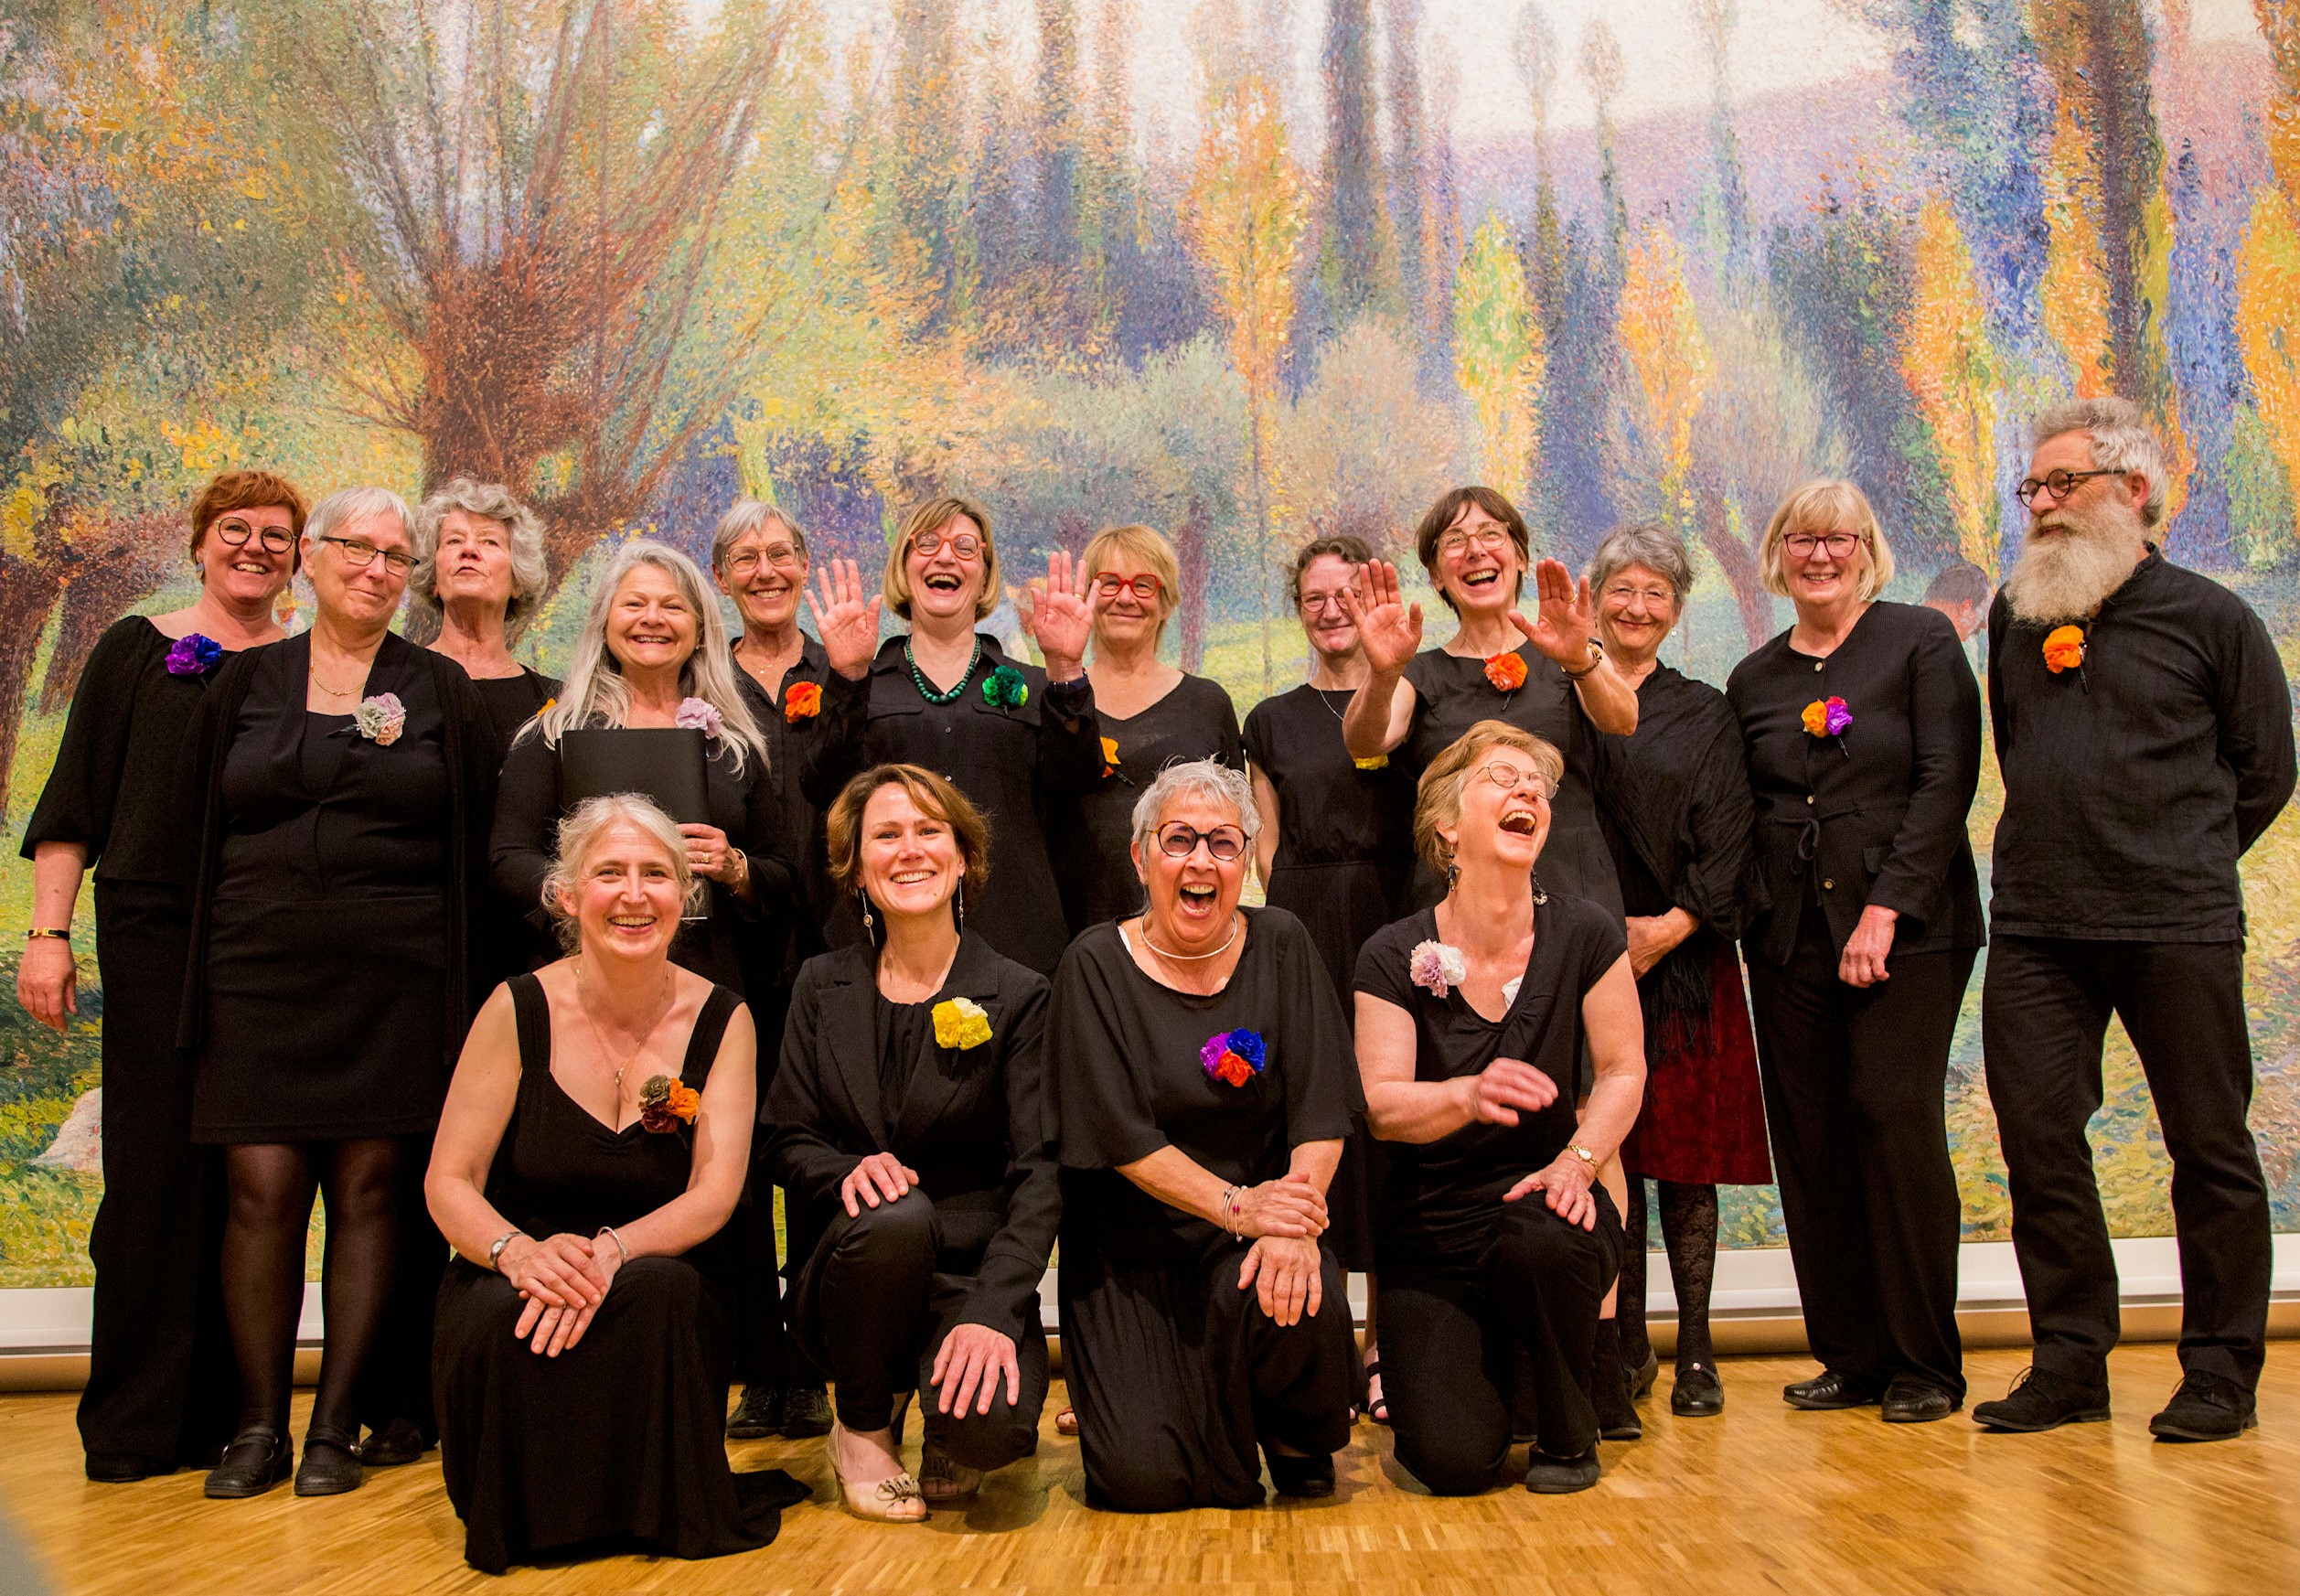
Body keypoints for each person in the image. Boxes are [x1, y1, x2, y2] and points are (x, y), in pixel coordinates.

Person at [1973, 397, 2295, 1441]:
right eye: (2034, 488)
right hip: (2036, 926)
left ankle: (2218, 1370)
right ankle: (2069, 1359)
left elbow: (2266, 769)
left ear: (2133, 490)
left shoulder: (2212, 617)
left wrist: (2179, 852)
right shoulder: (2015, 616)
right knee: (2037, 1140)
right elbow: (2017, 746)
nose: (2044, 506)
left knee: (2206, 1145)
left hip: (2175, 921)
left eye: (2062, 484)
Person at [177, 486, 497, 1498]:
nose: (374, 568)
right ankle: (256, 1424)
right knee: (261, 1189)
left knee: (370, 1191)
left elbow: (479, 839)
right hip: (256, 968)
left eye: (395, 556)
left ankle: (334, 1426)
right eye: (356, 548)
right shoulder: (245, 681)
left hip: (395, 976)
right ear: (309, 559)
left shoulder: (438, 686)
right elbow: (199, 826)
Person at [427, 795, 805, 1573]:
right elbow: (449, 1178)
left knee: (663, 1292)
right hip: (517, 1265)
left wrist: (609, 1251)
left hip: (658, 1264)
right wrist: (519, 1254)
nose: (635, 895)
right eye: (610, 873)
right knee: (507, 1313)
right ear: (568, 895)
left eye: (656, 875)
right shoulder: (514, 1006)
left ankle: (654, 1504)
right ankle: (521, 1509)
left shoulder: (724, 1017)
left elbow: (715, 1191)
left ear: (684, 896)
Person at [17, 469, 303, 1483]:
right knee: (149, 1179)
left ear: (297, 557)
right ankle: (138, 1421)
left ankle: (235, 1415)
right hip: (147, 931)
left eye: (277, 536)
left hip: (265, 947)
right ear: (199, 543)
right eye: (237, 530)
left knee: (250, 1181)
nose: (256, 548)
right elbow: (73, 804)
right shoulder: (137, 650)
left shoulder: (312, 669)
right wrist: (49, 934)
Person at [1726, 478, 1984, 1425]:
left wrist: (1886, 908)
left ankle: (1925, 1360)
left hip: (1907, 929)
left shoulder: (1918, 640)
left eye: (1838, 537)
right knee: (1812, 1136)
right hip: (1788, 936)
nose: (1820, 553)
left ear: (1867, 547)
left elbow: (1944, 780)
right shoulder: (1753, 678)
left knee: (1890, 1115)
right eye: (1801, 538)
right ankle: (1852, 1354)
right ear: (1777, 553)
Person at [1049, 761, 1363, 1510]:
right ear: (1140, 856)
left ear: (1246, 860)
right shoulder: (1092, 963)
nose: (1199, 861)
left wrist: (1286, 1222)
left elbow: (1322, 1108)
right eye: (1179, 839)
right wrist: (1237, 1206)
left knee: (1298, 1277)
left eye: (1223, 844)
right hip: (1131, 1261)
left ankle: (1292, 1430)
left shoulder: (1282, 941)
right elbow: (1117, 1134)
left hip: (1251, 1247)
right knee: (1142, 1483)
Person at [1354, 722, 1646, 1494]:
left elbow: (1622, 1069)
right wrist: (1467, 1093)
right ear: (1447, 823)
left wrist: (1577, 1162)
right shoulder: (1391, 953)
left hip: (1549, 1204)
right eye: (1503, 778)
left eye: (1537, 786)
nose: (1527, 793)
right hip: (1433, 1236)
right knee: (1451, 1463)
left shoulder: (1584, 930)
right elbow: (1382, 1106)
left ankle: (1565, 1430)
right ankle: (1496, 1382)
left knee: (1542, 1239)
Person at [765, 766, 1057, 1519]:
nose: (909, 850)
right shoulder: (817, 985)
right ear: (857, 867)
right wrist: (845, 1171)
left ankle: (941, 1417)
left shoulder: (1020, 995)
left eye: (929, 831)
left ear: (963, 857)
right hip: (855, 1272)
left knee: (987, 1432)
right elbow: (782, 1137)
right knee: (894, 1213)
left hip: (971, 1277)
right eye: (885, 835)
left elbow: (1039, 1174)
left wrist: (995, 1309)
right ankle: (862, 1422)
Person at [1583, 525, 1769, 1419]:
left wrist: (1670, 927)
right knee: (1608, 1154)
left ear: (1676, 608)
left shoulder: (1705, 709)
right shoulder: (1565, 698)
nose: (1637, 606)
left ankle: (1695, 1345)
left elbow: (1732, 829)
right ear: (1593, 598)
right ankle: (1625, 1345)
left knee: (1685, 1165)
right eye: (1622, 588)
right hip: (1586, 966)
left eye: (1656, 592)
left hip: (1686, 962)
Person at [1244, 532, 1415, 1421]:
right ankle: (1320, 1341)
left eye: (1346, 589)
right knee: (1313, 1124)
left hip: (1392, 914)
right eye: (1313, 593)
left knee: (1387, 1135)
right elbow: (1265, 841)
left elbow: (1393, 761)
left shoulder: (1407, 693)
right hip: (1303, 922)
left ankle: (1386, 1342)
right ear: (1298, 605)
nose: (1330, 605)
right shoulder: (1270, 717)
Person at [797, 494, 1103, 975]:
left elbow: (1078, 782)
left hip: (1017, 943)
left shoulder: (1040, 686)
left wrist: (1065, 666)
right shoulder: (858, 686)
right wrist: (847, 676)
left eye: (964, 546)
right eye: (927, 543)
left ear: (984, 572)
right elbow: (821, 787)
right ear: (904, 567)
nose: (945, 556)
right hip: (887, 944)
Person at [492, 539, 789, 991]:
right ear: (605, 622)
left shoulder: (733, 743)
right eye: (635, 604)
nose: (653, 618)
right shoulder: (553, 734)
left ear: (700, 630)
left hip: (706, 976)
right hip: (583, 974)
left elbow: (782, 870)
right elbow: (507, 859)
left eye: (673, 606)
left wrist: (736, 867)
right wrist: (579, 891)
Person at [1339, 485, 1637, 915]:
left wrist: (1577, 658)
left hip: (1573, 891)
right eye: (1455, 541)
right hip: (1459, 902)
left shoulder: (1567, 650)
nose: (1475, 551)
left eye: (1491, 534)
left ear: (1520, 558)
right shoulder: (1417, 671)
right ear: (1436, 577)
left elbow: (1623, 719)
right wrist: (1383, 673)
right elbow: (1363, 742)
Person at [710, 498, 835, 1443]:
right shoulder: (695, 682)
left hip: (834, 949)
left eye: (779, 554)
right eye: (744, 558)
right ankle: (760, 1366)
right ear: (721, 577)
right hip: (729, 953)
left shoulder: (845, 673)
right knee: (741, 1165)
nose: (764, 569)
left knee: (820, 1165)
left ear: (803, 565)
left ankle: (822, 1361)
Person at [1046, 522, 1242, 933]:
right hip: (1071, 929)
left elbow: (1234, 835)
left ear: (1167, 602)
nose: (1125, 597)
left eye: (1143, 585)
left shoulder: (1208, 704)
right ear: (1087, 599)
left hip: (1185, 931)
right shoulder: (1054, 698)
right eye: (1110, 583)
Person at [407, 477, 561, 752]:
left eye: (489, 541)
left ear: (517, 581)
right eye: (454, 541)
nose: (469, 551)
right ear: (433, 579)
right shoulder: (399, 682)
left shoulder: (557, 704)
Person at [1921, 560, 1994, 644]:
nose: (1983, 626)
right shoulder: (1939, 644)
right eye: (1980, 618)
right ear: (1966, 608)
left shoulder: (1915, 625)